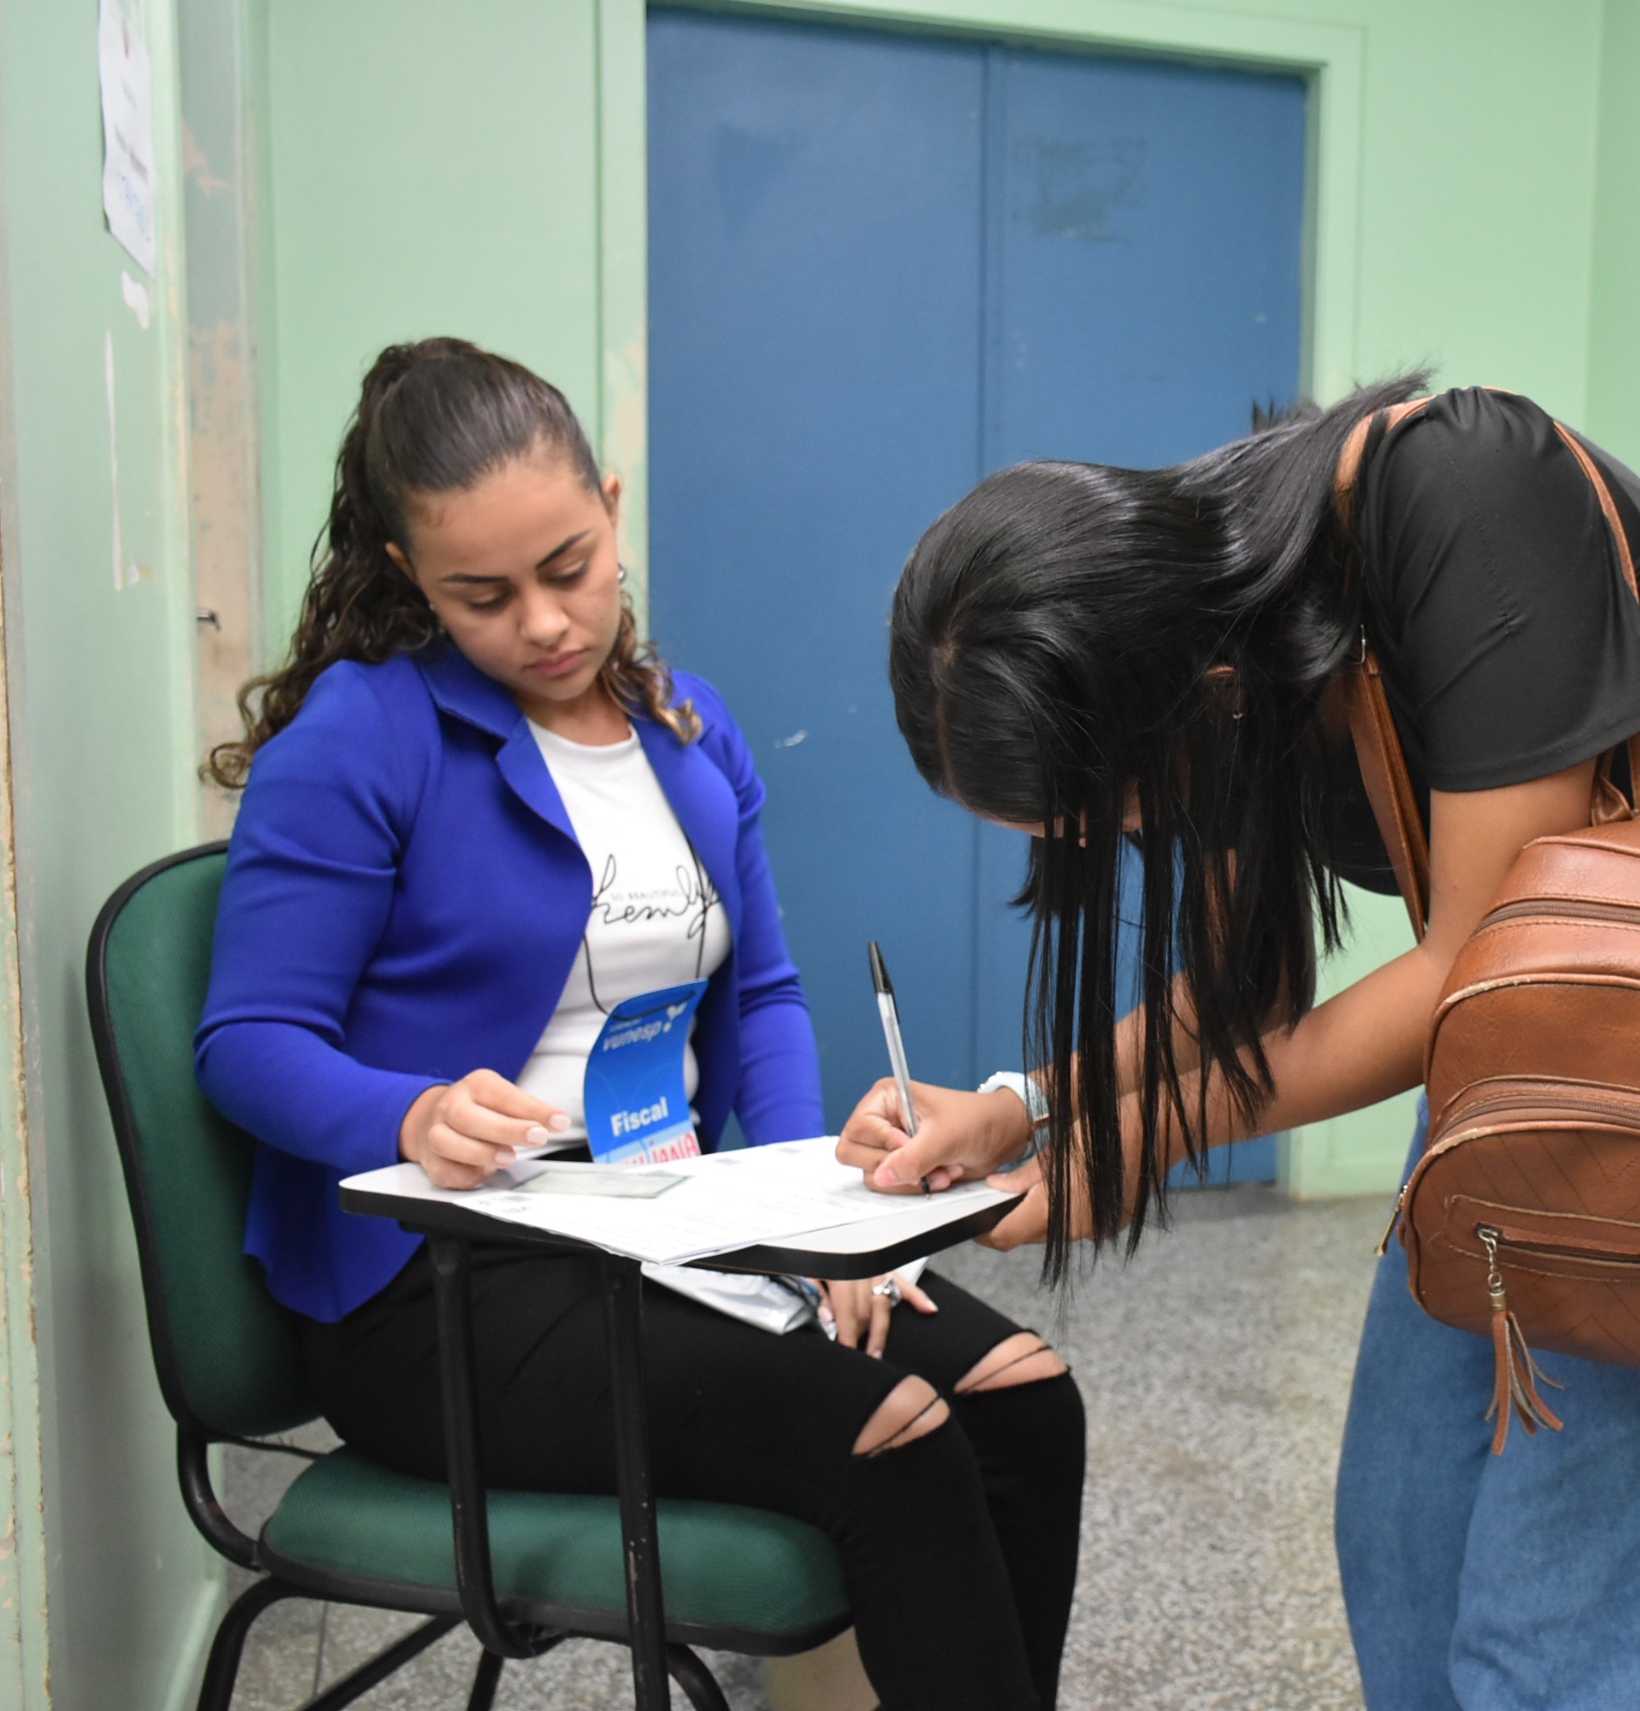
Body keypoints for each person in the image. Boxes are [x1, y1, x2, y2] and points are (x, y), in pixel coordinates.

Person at [838, 381, 1640, 1710]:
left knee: (1566, 1641)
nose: (1130, 840)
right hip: (1528, 1031)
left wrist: (1127, 1150)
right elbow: (1242, 1001)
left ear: (1190, 694)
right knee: (1401, 1544)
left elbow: (1461, 965)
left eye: (1115, 810)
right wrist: (1022, 1107)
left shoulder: (1465, 492)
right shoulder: (1196, 636)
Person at [197, 338, 1083, 1711]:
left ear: (610, 508)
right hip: (448, 1284)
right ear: (402, 573)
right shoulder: (360, 737)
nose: (546, 624)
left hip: (677, 1229)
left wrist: (827, 1221)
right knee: (895, 1436)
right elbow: (246, 1041)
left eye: (569, 567)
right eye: (479, 597)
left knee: (1026, 1400)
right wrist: (409, 1114)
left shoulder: (685, 726)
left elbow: (770, 995)